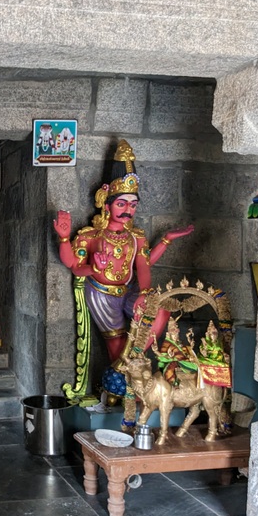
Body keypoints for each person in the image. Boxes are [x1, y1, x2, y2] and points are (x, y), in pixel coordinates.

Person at [53, 140, 194, 365]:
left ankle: (128, 363)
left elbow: (143, 265)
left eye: (133, 205)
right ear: (107, 205)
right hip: (102, 294)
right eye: (121, 204)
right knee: (116, 348)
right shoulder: (92, 235)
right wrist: (64, 239)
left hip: (130, 290)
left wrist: (165, 242)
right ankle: (123, 371)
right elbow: (74, 266)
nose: (128, 210)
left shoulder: (135, 236)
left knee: (159, 310)